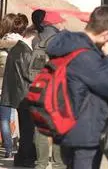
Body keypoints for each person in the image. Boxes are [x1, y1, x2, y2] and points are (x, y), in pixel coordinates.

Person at [46, 6, 108, 169]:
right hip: (84, 131)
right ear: (106, 33)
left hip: (67, 125)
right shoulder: (85, 56)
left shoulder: (68, 46)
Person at [30, 9, 65, 169]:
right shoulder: (62, 40)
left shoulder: (37, 41)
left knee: (40, 128)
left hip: (40, 90)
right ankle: (59, 164)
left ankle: (41, 163)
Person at [0, 14, 36, 167]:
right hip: (24, 94)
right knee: (27, 129)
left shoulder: (14, 48)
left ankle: (19, 155)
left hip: (15, 93)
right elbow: (28, 74)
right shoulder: (24, 50)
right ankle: (23, 156)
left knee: (19, 125)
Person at [0, 13, 23, 158]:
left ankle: (9, 147)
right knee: (6, 118)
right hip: (10, 87)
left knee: (4, 119)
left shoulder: (2, 44)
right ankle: (10, 148)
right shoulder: (20, 45)